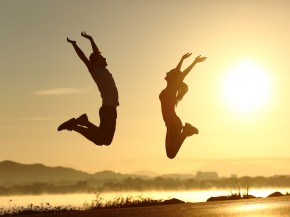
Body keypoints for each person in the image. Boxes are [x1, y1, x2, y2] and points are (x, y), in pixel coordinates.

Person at [58, 32, 119, 146]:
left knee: (103, 139)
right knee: (105, 140)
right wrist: (74, 45)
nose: (104, 57)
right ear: (97, 62)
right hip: (108, 109)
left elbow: (96, 52)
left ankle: (83, 122)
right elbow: (84, 58)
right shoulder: (95, 71)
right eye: (102, 58)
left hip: (109, 109)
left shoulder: (103, 70)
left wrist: (91, 39)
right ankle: (75, 126)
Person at [159, 53, 206, 159]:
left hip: (173, 123)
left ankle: (186, 131)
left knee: (171, 154)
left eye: (169, 72)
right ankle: (187, 131)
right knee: (170, 154)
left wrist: (192, 62)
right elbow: (176, 73)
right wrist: (182, 59)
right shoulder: (169, 89)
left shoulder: (171, 89)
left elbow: (180, 74)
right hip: (170, 123)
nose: (166, 72)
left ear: (172, 77)